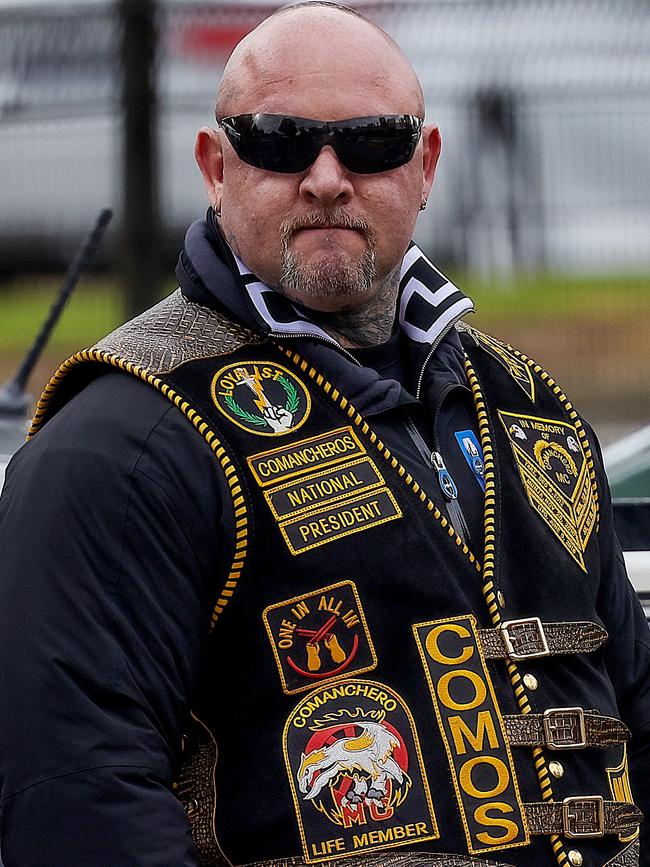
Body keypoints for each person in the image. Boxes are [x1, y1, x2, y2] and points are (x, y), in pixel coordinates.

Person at [0, 3, 648, 866]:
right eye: (280, 140)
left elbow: (635, 710)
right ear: (215, 165)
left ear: (426, 164)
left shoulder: (532, 408)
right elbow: (77, 800)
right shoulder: (124, 441)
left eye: (373, 141)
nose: (328, 177)